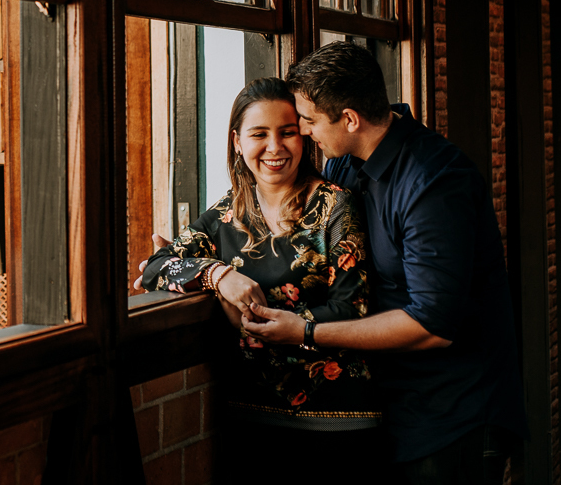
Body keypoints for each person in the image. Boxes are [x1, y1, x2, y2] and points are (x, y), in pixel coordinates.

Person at [241, 41, 525, 484]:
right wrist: (207, 258)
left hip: (454, 415)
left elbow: (433, 325)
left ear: (350, 118)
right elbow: (293, 225)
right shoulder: (344, 163)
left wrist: (306, 331)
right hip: (389, 408)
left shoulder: (435, 183)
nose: (307, 133)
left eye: (309, 122)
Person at [135, 77, 385, 482]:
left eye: (288, 133)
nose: (275, 147)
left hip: (338, 420)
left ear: (304, 137)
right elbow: (153, 269)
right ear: (237, 141)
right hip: (250, 415)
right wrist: (219, 275)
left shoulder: (336, 207)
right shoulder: (226, 214)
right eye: (259, 134)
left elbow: (352, 310)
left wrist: (255, 326)